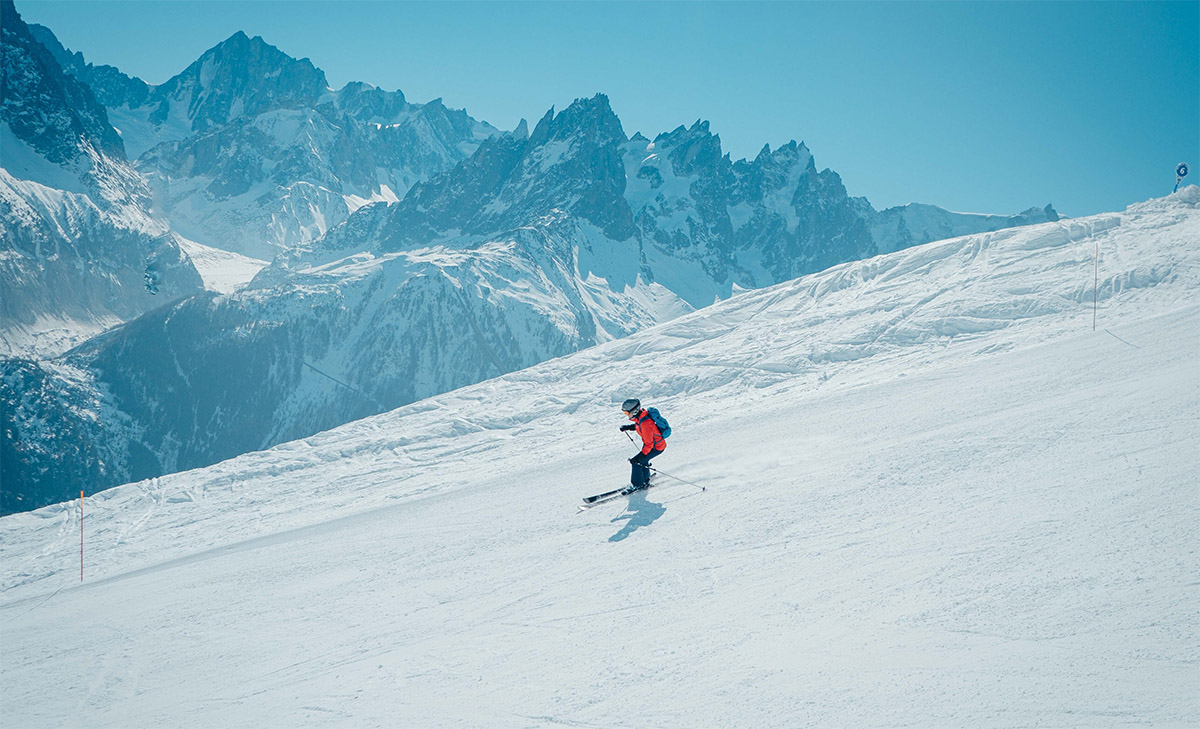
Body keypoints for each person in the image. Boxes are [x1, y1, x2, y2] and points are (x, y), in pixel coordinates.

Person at [619, 397, 665, 494]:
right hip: (654, 444)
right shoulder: (641, 417)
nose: (626, 415)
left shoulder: (645, 422)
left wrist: (639, 457)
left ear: (635, 411)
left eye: (627, 413)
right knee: (643, 460)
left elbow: (649, 443)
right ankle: (645, 480)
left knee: (636, 462)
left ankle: (637, 485)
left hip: (656, 447)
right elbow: (638, 426)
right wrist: (627, 427)